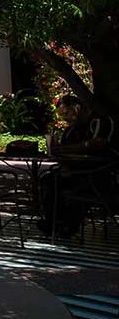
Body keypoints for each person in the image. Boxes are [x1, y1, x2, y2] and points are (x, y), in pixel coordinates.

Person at [36, 95, 118, 237]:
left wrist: (67, 150)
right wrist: (58, 154)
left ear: (77, 108)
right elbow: (64, 156)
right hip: (77, 173)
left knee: (79, 185)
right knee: (49, 180)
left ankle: (68, 225)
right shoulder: (70, 131)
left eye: (66, 114)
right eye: (62, 116)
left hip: (103, 176)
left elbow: (96, 145)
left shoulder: (100, 122)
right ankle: (54, 222)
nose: (65, 119)